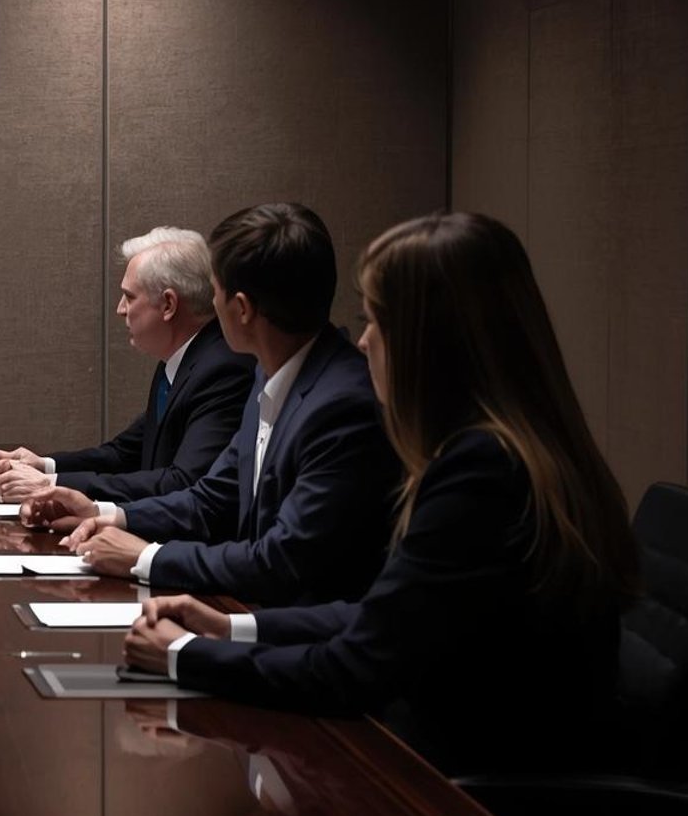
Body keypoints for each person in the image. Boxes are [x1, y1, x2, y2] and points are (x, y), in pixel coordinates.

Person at [122, 212, 639, 774]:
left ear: (429, 342)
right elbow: (380, 616)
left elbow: (354, 668)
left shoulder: (481, 474)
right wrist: (232, 627)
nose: (363, 340)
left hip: (478, 807)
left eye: (376, 320)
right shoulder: (518, 452)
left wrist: (182, 656)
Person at [24, 202, 400, 607]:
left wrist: (146, 556)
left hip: (303, 641)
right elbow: (210, 498)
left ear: (240, 308)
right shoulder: (269, 373)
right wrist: (105, 513)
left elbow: (282, 561)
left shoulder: (343, 405)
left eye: (215, 291)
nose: (209, 306)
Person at [0, 226, 251, 502]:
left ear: (168, 304)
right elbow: (124, 453)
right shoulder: (180, 361)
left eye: (130, 297)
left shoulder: (223, 370)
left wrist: (51, 484)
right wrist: (43, 466)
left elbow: (182, 482)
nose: (121, 309)